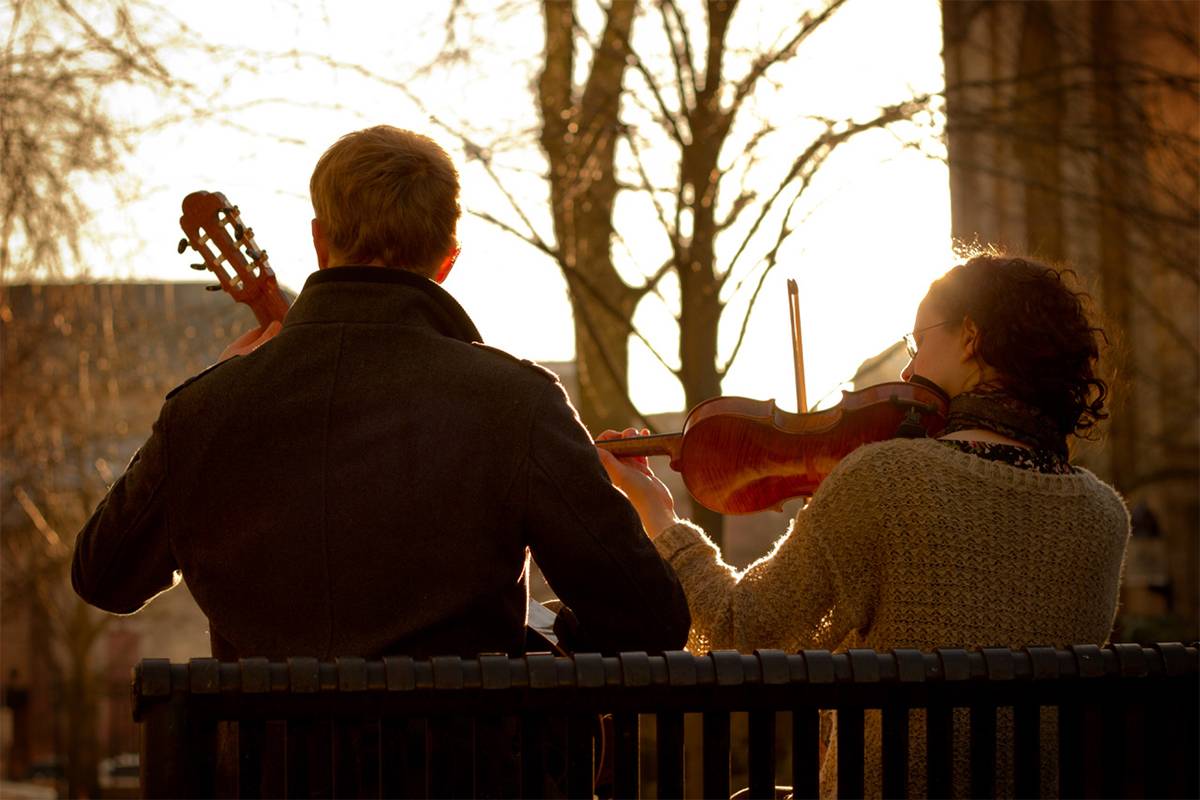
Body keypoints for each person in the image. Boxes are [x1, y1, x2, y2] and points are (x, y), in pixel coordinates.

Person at [72, 125, 690, 662]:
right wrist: (546, 643)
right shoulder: (517, 404)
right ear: (447, 260)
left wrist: (212, 390)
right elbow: (650, 623)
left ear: (320, 241)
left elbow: (104, 577)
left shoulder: (200, 412)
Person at [598, 254, 1130, 798]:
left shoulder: (887, 479)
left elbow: (739, 631)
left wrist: (657, 513)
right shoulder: (1104, 515)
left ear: (970, 337)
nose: (906, 370)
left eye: (917, 343)